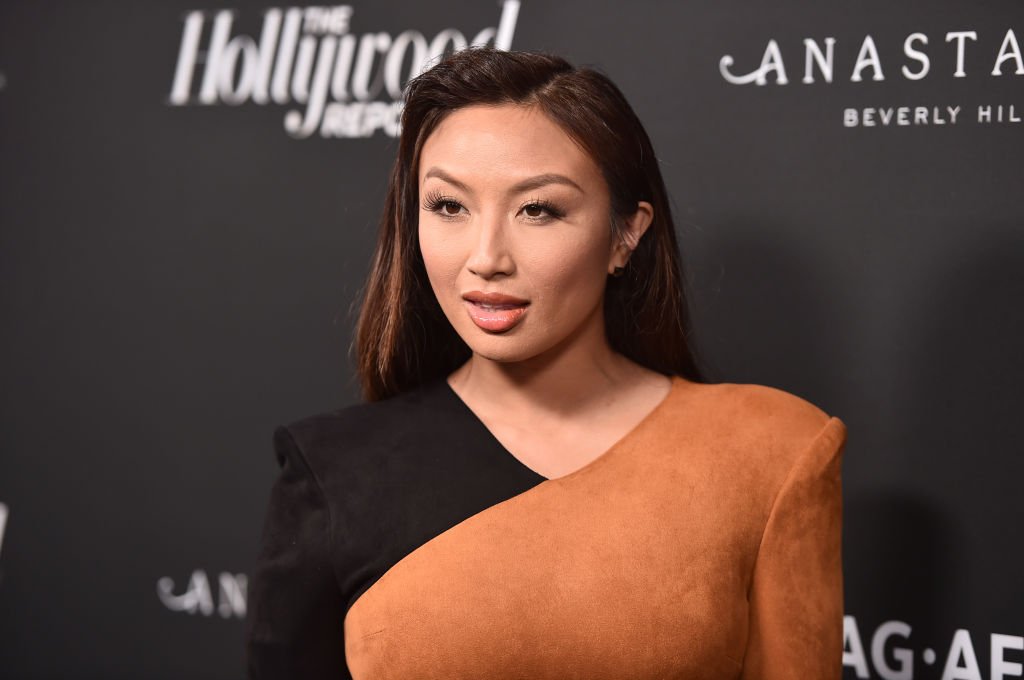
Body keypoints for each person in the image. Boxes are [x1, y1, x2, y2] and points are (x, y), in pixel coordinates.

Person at [244, 46, 847, 680]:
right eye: (449, 206)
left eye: (538, 209)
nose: (486, 258)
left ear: (625, 235)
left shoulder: (771, 450)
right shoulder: (332, 472)